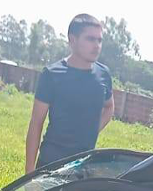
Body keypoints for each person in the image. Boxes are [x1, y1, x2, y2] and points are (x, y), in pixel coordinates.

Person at [25, 15, 114, 175]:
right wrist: (29, 171)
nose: (96, 46)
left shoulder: (104, 75)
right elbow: (36, 123)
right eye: (90, 39)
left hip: (83, 166)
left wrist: (92, 131)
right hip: (51, 163)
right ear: (72, 40)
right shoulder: (52, 74)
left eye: (99, 40)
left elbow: (109, 107)